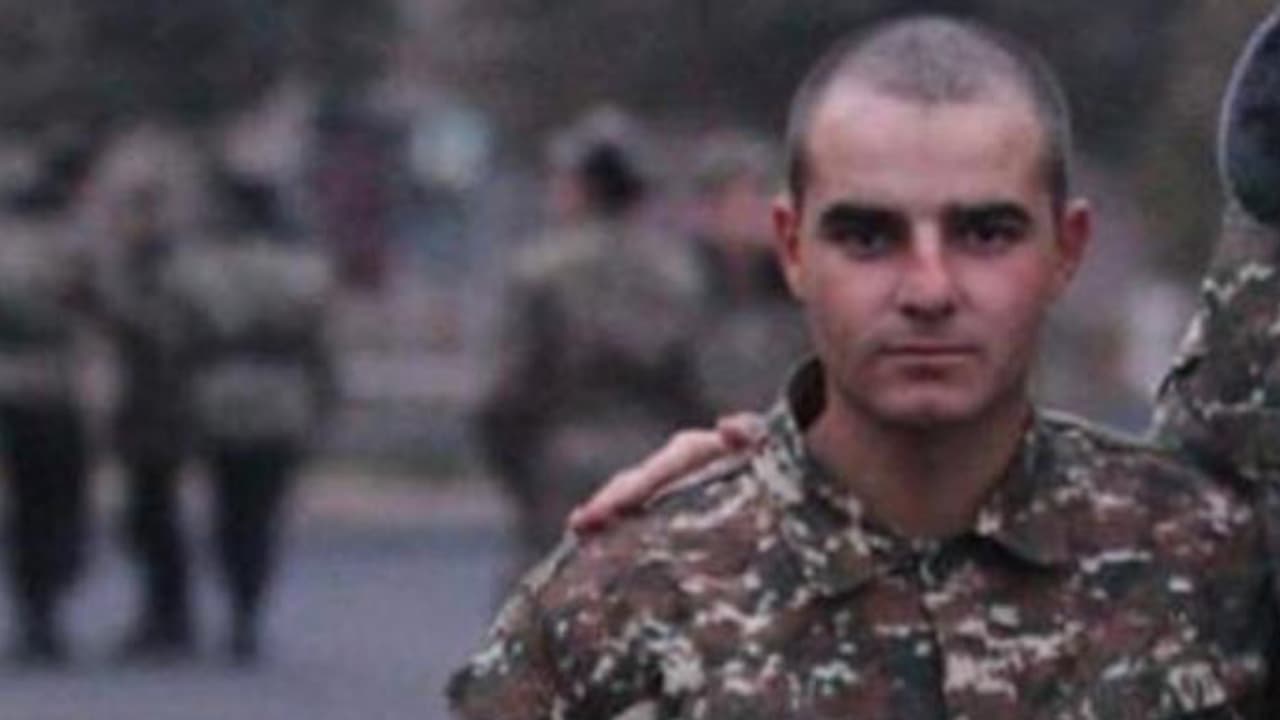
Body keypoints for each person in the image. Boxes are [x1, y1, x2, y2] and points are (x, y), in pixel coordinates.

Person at [450, 14, 1280, 718]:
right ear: (791, 247)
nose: (929, 289)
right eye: (868, 236)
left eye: (986, 233)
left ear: (1068, 249)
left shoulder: (1209, 574)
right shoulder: (617, 612)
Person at [474, 107, 708, 581]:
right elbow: (701, 384)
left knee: (556, 595)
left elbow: (506, 392)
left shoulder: (542, 271)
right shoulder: (679, 276)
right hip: (654, 459)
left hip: (563, 459)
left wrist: (519, 468)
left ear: (580, 188)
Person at [186, 172, 336, 663]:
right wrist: (325, 402)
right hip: (280, 396)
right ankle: (248, 606)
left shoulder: (204, 270)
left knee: (226, 507)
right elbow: (319, 347)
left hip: (220, 393)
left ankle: (234, 593)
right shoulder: (303, 272)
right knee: (263, 510)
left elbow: (182, 336)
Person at [83, 182, 205, 661]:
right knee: (145, 517)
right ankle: (162, 614)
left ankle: (169, 616)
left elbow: (163, 330)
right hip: (141, 407)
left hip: (164, 409)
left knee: (156, 517)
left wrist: (110, 311)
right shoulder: (136, 270)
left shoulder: (168, 274)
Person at [0, 144, 93, 665]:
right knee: (57, 505)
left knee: (27, 508)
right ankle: (48, 603)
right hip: (61, 390)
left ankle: (35, 610)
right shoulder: (77, 246)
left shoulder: (8, 249)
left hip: (15, 391)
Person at [686, 130, 810, 413]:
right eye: (733, 201)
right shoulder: (683, 292)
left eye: (758, 197)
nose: (747, 214)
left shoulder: (803, 295)